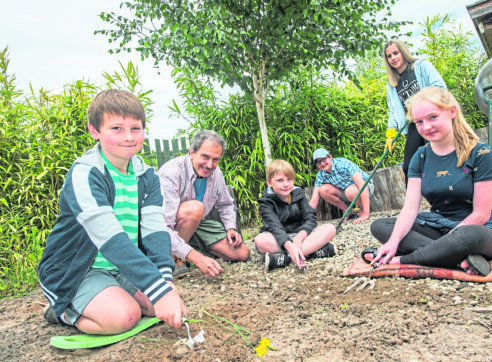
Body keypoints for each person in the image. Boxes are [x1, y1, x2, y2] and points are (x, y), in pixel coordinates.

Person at [38, 89, 186, 334]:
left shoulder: (147, 176)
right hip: (77, 270)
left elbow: (155, 233)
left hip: (120, 266)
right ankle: (62, 309)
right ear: (95, 131)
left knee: (158, 303)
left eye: (135, 128)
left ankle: (105, 298)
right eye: (116, 128)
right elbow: (110, 238)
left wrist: (166, 282)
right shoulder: (86, 174)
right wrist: (160, 290)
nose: (128, 137)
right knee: (125, 317)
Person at [364, 86, 492, 276]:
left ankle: (404, 260)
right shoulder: (419, 157)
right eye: (419, 122)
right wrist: (393, 242)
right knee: (381, 226)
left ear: (452, 111)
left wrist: (450, 240)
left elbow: (481, 214)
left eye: (433, 117)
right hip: (439, 224)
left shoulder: (480, 153)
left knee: (467, 236)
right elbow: (410, 209)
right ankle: (453, 257)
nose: (426, 127)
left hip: (479, 229)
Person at [158, 130, 250, 278]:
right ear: (192, 152)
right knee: (195, 208)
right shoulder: (171, 172)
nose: (209, 164)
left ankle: (190, 248)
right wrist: (197, 258)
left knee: (242, 253)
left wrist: (231, 228)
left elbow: (226, 204)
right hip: (171, 227)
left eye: (215, 159)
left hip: (199, 224)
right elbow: (163, 226)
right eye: (205, 157)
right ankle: (174, 260)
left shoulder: (216, 173)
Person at [383, 39, 447, 184]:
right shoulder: (392, 84)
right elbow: (393, 110)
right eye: (389, 56)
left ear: (402, 52)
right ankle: (413, 205)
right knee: (409, 166)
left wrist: (420, 104)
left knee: (439, 159)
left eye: (395, 53)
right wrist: (390, 133)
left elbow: (439, 87)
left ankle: (450, 198)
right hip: (415, 125)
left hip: (432, 119)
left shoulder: (421, 66)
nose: (393, 58)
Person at [255, 160, 337, 271]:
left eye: (289, 179)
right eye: (280, 180)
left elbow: (310, 217)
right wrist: (289, 244)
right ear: (269, 182)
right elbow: (274, 227)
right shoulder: (265, 201)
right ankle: (312, 253)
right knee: (260, 240)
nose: (286, 184)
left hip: (302, 236)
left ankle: (285, 258)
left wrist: (300, 237)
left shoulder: (298, 193)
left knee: (330, 229)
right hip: (278, 238)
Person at [308, 148, 374, 224]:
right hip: (347, 192)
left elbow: (362, 185)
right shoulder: (320, 175)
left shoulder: (342, 164)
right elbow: (314, 200)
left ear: (330, 157)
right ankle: (348, 210)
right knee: (323, 190)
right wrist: (306, 218)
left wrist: (366, 213)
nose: (322, 164)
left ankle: (363, 210)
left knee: (350, 191)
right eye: (318, 162)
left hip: (366, 187)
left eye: (324, 159)